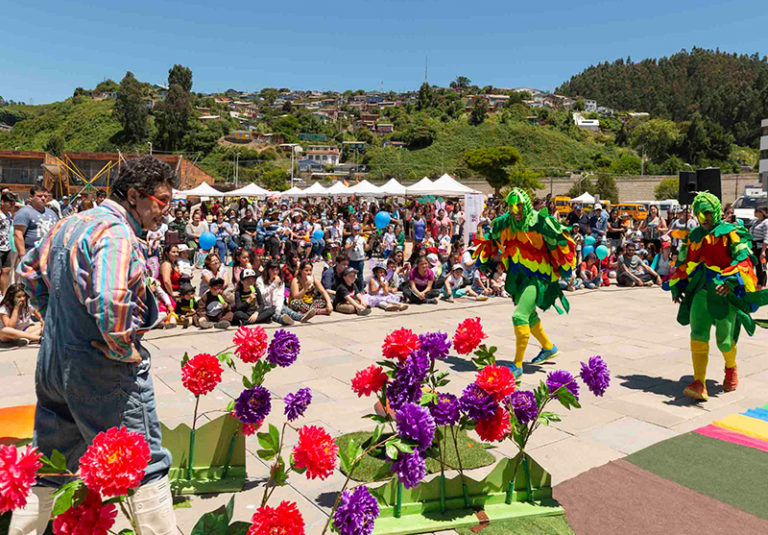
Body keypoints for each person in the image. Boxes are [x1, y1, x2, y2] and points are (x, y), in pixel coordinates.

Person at [12, 155, 177, 534]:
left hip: (54, 364)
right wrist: (123, 348)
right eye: (163, 201)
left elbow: (29, 271)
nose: (165, 212)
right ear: (135, 196)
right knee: (144, 463)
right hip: (102, 371)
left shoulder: (70, 223)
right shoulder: (116, 233)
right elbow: (109, 297)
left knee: (50, 464)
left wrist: (54, 318)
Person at [666, 192, 768, 401]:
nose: (704, 218)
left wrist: (731, 282)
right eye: (699, 213)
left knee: (723, 341)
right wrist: (677, 285)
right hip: (700, 294)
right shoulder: (693, 235)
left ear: (716, 212)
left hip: (724, 295)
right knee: (698, 334)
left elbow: (744, 259)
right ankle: (698, 382)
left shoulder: (730, 233)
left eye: (707, 212)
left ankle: (731, 368)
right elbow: (683, 262)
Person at [472, 188, 576, 377]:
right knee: (530, 316)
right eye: (512, 206)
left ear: (525, 204)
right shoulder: (505, 223)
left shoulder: (540, 222)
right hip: (519, 276)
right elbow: (493, 240)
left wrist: (564, 263)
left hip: (538, 278)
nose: (516, 210)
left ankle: (518, 365)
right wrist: (485, 258)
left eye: (519, 205)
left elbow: (560, 240)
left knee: (519, 316)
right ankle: (548, 347)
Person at [13, 186, 59, 259]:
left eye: (46, 196)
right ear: (31, 197)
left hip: (49, 255)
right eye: (39, 196)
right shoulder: (24, 212)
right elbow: (18, 234)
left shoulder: (52, 213)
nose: (43, 198)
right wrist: (22, 255)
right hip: (31, 255)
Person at [257, 260, 307, 325]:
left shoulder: (280, 280)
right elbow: (261, 295)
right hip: (265, 306)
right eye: (272, 270)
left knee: (287, 310)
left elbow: (280, 296)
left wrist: (278, 308)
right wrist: (273, 285)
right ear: (268, 270)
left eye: (277, 270)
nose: (275, 272)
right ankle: (284, 320)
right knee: (273, 315)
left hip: (277, 304)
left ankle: (301, 317)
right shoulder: (260, 280)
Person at [0, 192, 16, 294]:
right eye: (9, 202)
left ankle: (4, 294)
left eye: (13, 203)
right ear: (2, 202)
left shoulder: (9, 215)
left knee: (6, 271)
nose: (12, 205)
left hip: (7, 247)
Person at [345, 224, 368, 292]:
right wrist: (353, 244)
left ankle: (361, 290)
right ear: (352, 230)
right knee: (350, 275)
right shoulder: (349, 239)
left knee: (360, 276)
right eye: (355, 230)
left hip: (360, 260)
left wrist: (371, 241)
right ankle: (350, 290)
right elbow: (346, 248)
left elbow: (366, 248)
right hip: (352, 260)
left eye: (358, 230)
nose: (356, 232)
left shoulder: (362, 238)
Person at [749, 206, 768, 288]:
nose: (755, 212)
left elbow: (766, 237)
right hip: (755, 247)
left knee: (763, 267)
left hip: (762, 248)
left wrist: (763, 251)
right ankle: (758, 283)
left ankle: (763, 284)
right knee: (757, 266)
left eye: (757, 211)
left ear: (761, 213)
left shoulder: (766, 222)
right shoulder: (756, 222)